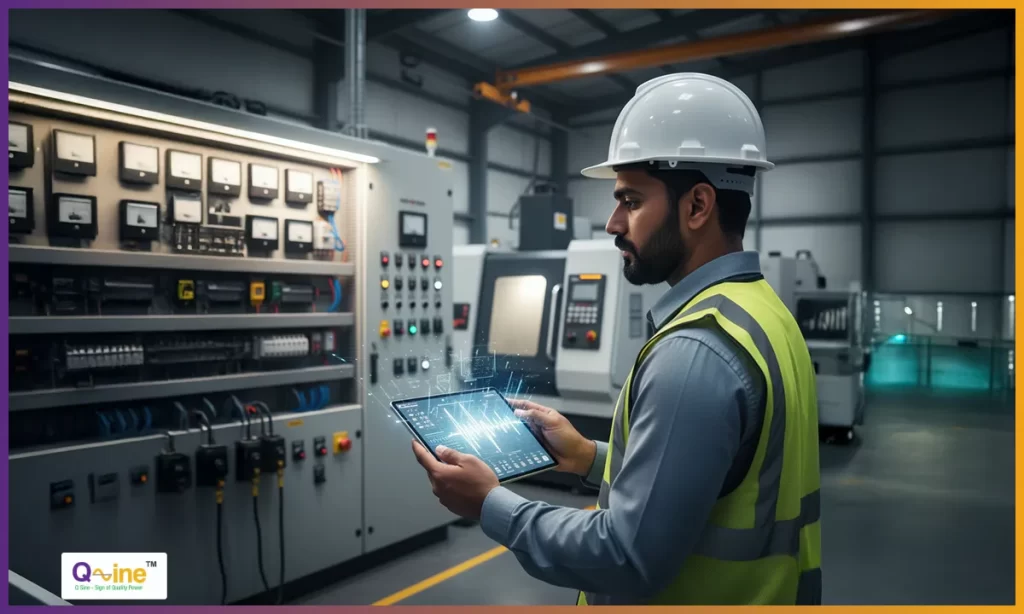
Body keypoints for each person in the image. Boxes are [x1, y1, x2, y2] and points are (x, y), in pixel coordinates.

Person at [411, 73, 822, 605]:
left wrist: (490, 503)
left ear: (697, 206)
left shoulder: (694, 353)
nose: (611, 223)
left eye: (630, 201)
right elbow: (709, 484)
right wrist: (587, 456)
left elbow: (626, 555)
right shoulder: (764, 314)